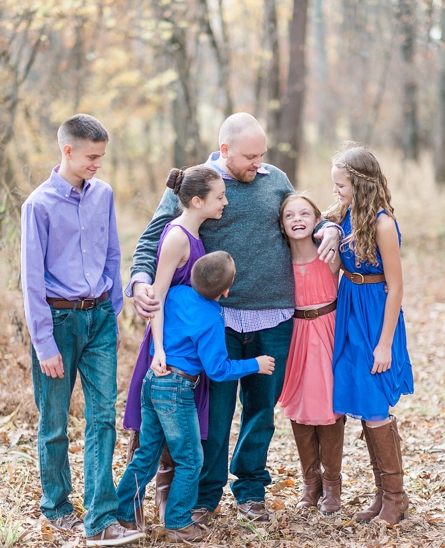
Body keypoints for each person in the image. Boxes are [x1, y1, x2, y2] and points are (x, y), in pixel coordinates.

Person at [127, 113, 342, 523]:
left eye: (262, 154)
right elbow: (154, 238)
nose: (257, 164)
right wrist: (140, 281)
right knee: (216, 414)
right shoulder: (197, 185)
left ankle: (250, 492)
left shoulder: (274, 178)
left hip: (275, 317)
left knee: (261, 412)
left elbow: (304, 213)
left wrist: (329, 227)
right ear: (224, 150)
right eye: (249, 156)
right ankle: (206, 496)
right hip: (218, 321)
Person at [21, 114, 141, 547]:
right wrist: (44, 343)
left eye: (102, 157)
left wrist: (112, 311)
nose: (98, 164)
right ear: (67, 150)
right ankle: (56, 506)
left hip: (100, 321)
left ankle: (101, 515)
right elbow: (32, 279)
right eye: (92, 156)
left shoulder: (103, 194)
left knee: (102, 418)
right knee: (53, 420)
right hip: (57, 322)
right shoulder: (38, 205)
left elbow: (113, 253)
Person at [116, 252, 275, 542]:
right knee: (190, 459)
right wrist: (256, 364)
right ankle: (177, 523)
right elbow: (218, 369)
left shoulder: (175, 293)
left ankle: (122, 512)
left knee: (147, 454)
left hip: (153, 381)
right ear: (225, 291)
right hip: (176, 389)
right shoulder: (212, 319)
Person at [121, 166, 226, 522]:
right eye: (220, 197)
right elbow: (158, 298)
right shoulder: (178, 237)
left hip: (184, 347)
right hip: (168, 351)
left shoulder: (195, 233)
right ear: (197, 201)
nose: (225, 202)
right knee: (153, 443)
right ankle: (148, 512)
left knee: (160, 440)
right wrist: (160, 351)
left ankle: (140, 509)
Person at [326, 144, 412, 526]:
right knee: (362, 398)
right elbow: (313, 217)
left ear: (359, 184)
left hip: (375, 313)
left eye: (341, 185)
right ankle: (382, 495)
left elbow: (396, 287)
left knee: (376, 402)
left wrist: (384, 343)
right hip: (349, 309)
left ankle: (396, 496)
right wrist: (328, 228)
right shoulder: (344, 215)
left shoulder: (382, 223)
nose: (336, 192)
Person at [277, 193, 345, 514]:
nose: (297, 219)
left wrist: (333, 228)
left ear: (317, 220)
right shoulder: (279, 262)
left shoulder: (329, 255)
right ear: (282, 224)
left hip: (328, 330)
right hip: (296, 334)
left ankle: (332, 483)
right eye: (289, 216)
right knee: (299, 402)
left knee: (328, 402)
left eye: (305, 213)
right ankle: (311, 483)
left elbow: (342, 228)